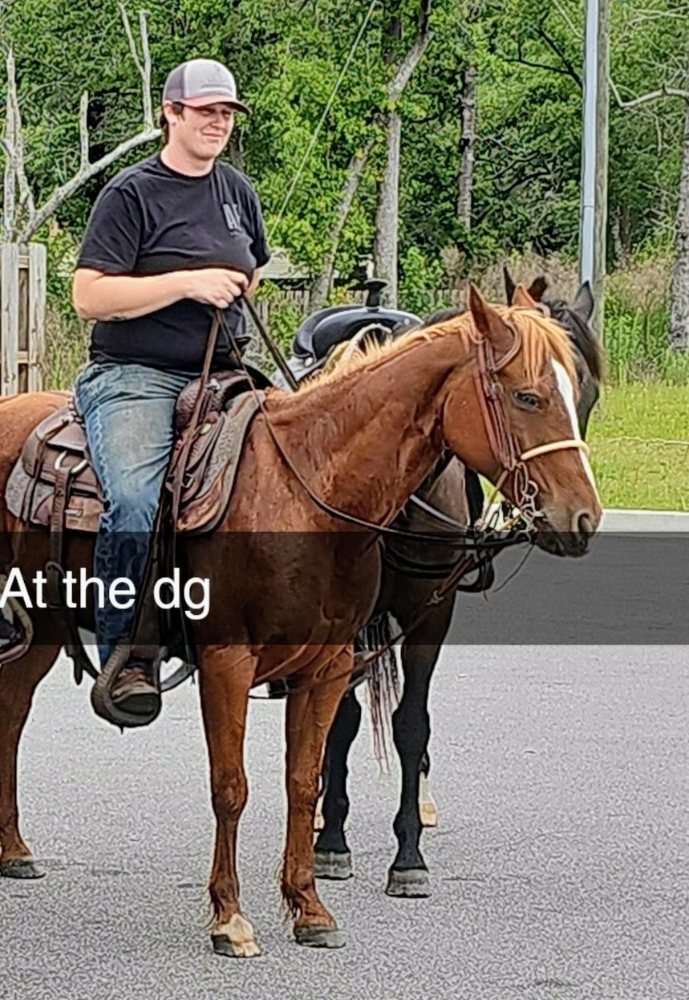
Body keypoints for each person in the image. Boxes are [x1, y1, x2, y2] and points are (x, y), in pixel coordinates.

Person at [71, 58, 270, 719]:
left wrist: (233, 285)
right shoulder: (131, 194)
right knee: (132, 496)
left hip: (226, 374)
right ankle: (126, 652)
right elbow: (88, 295)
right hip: (136, 376)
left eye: (226, 113)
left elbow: (253, 269)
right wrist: (187, 282)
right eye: (205, 110)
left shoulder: (235, 191)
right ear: (170, 112)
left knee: (303, 469)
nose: (217, 122)